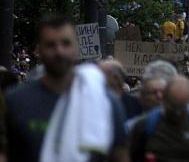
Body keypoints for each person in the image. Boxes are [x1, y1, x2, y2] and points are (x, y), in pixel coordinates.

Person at [4, 14, 128, 161]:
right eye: (51, 45)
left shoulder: (106, 102)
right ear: (38, 50)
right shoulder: (15, 100)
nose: (59, 52)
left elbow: (120, 156)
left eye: (66, 43)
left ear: (76, 47)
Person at [129, 75, 189, 161]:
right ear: (164, 97)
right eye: (173, 106)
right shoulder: (145, 125)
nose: (177, 112)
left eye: (181, 106)